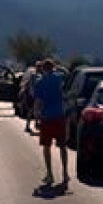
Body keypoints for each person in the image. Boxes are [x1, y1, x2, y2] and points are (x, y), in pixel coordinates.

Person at [33, 59, 69, 188]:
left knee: (46, 147)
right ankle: (65, 172)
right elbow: (66, 73)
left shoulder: (40, 82)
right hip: (60, 116)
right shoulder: (60, 78)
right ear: (53, 68)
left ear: (43, 69)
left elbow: (38, 101)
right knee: (62, 146)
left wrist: (36, 116)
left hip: (47, 117)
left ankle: (50, 174)